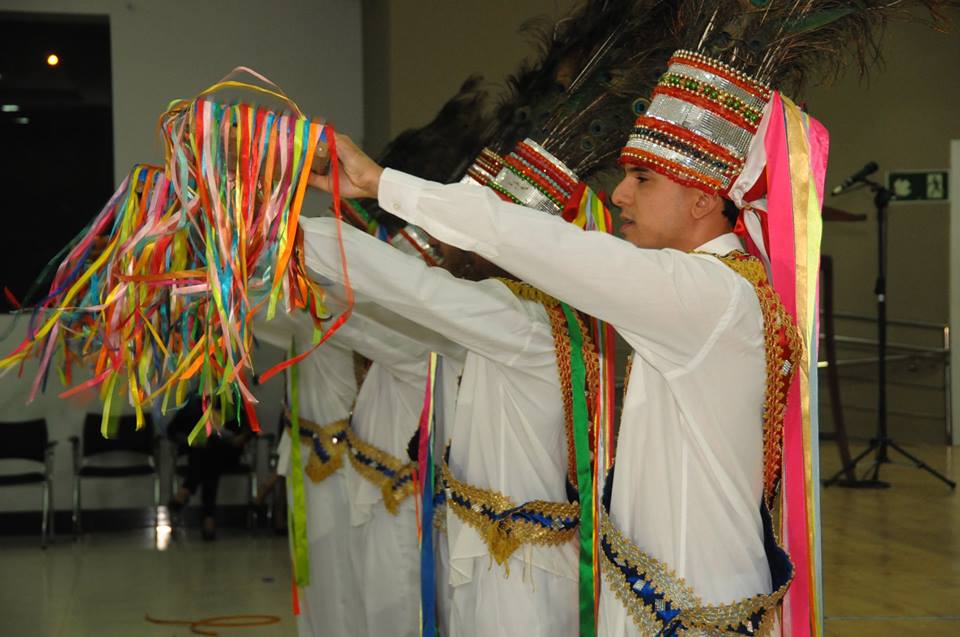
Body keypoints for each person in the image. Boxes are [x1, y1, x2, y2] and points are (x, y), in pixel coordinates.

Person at [307, 44, 829, 633]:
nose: (619, 195)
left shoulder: (709, 296)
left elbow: (537, 248)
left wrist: (377, 185)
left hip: (688, 613)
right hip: (658, 597)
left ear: (704, 199)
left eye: (642, 179)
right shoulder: (705, 294)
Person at [167, 397, 251, 541]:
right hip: (202, 451)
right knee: (209, 456)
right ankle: (208, 518)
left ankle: (186, 489)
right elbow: (172, 430)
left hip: (228, 451)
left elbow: (249, 428)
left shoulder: (233, 398)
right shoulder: (193, 402)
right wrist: (191, 441)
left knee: (210, 452)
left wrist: (241, 437)